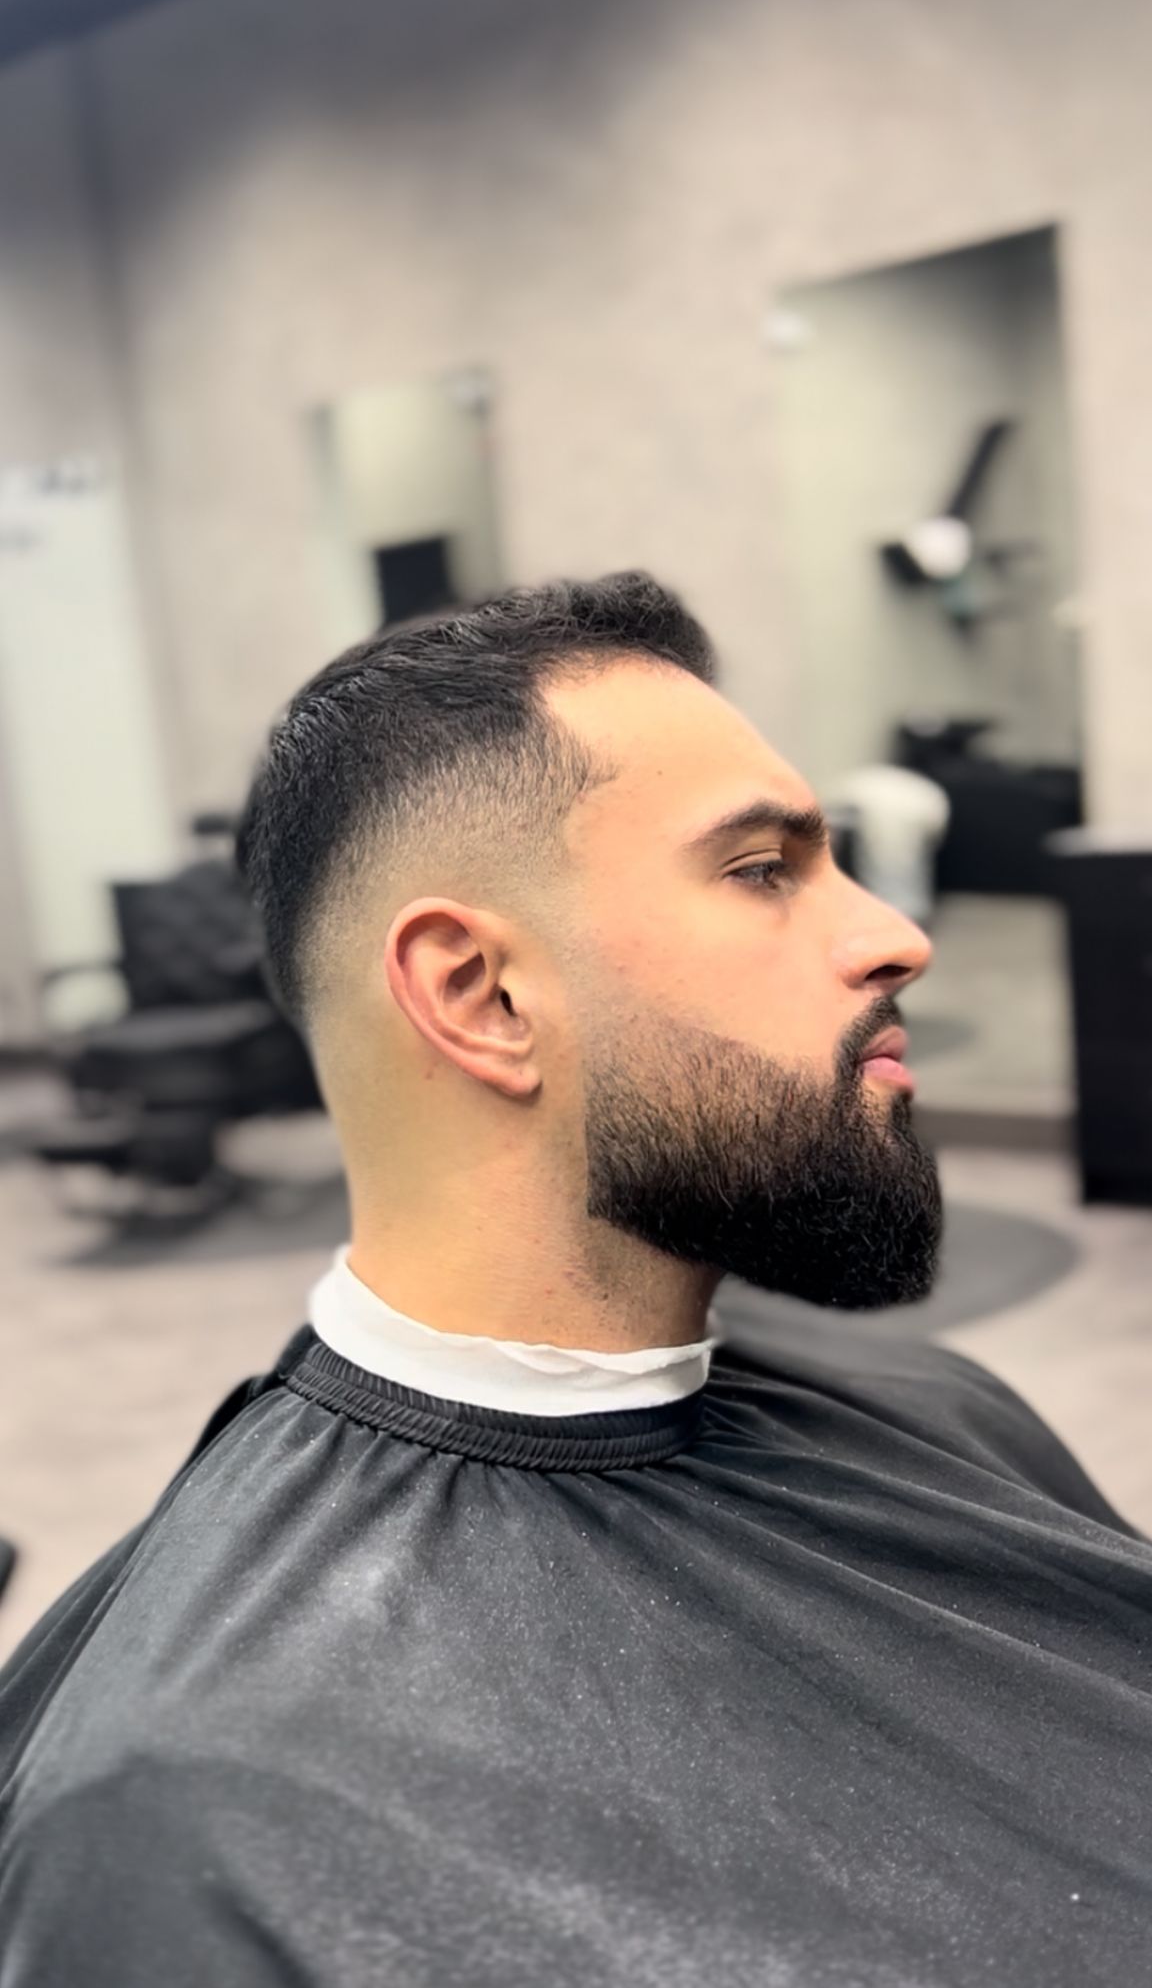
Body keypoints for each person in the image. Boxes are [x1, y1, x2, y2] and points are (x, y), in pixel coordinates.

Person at [0, 573, 1149, 1986]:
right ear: (482, 994)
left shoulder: (946, 1407)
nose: (894, 935)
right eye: (763, 868)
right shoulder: (193, 1806)